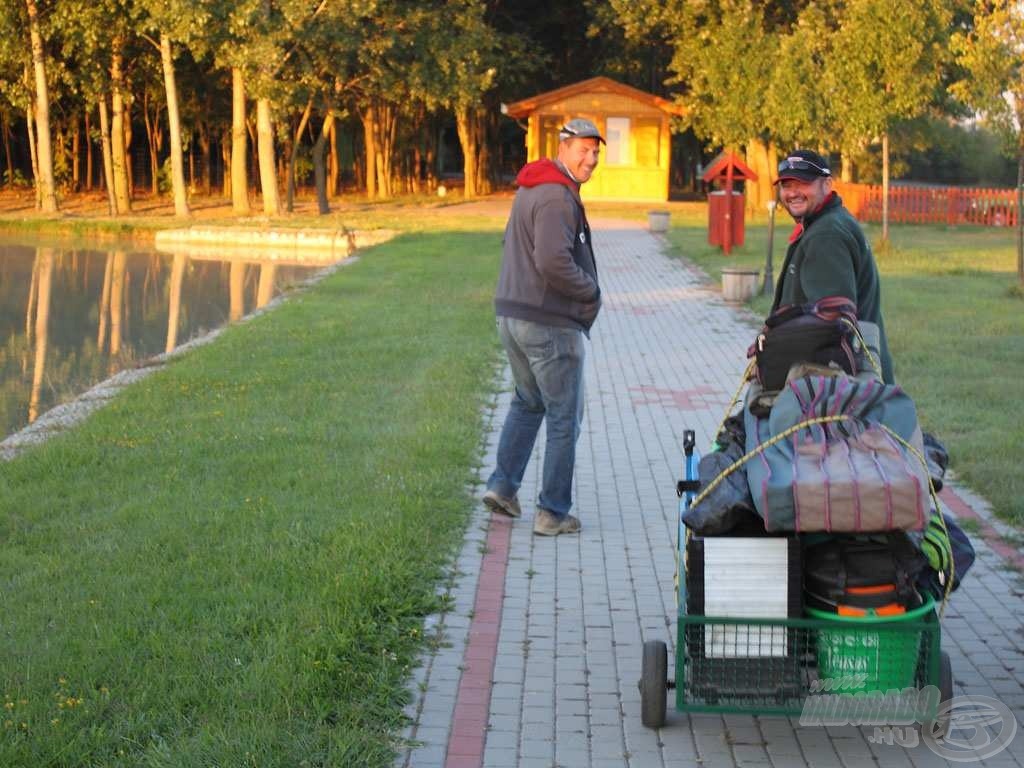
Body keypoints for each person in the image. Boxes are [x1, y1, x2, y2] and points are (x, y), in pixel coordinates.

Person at [482, 118, 604, 536]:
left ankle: (502, 487)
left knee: (528, 401)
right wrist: (589, 291)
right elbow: (553, 261)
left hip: (512, 316)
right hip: (548, 322)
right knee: (563, 417)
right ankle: (552, 512)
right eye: (583, 150)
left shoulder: (532, 186)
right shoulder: (556, 197)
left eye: (596, 152)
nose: (590, 159)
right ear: (563, 147)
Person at [772, 149, 895, 383]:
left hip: (838, 384)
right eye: (786, 185)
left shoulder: (826, 235)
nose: (793, 192)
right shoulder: (827, 222)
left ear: (827, 184)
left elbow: (831, 326)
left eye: (803, 183)